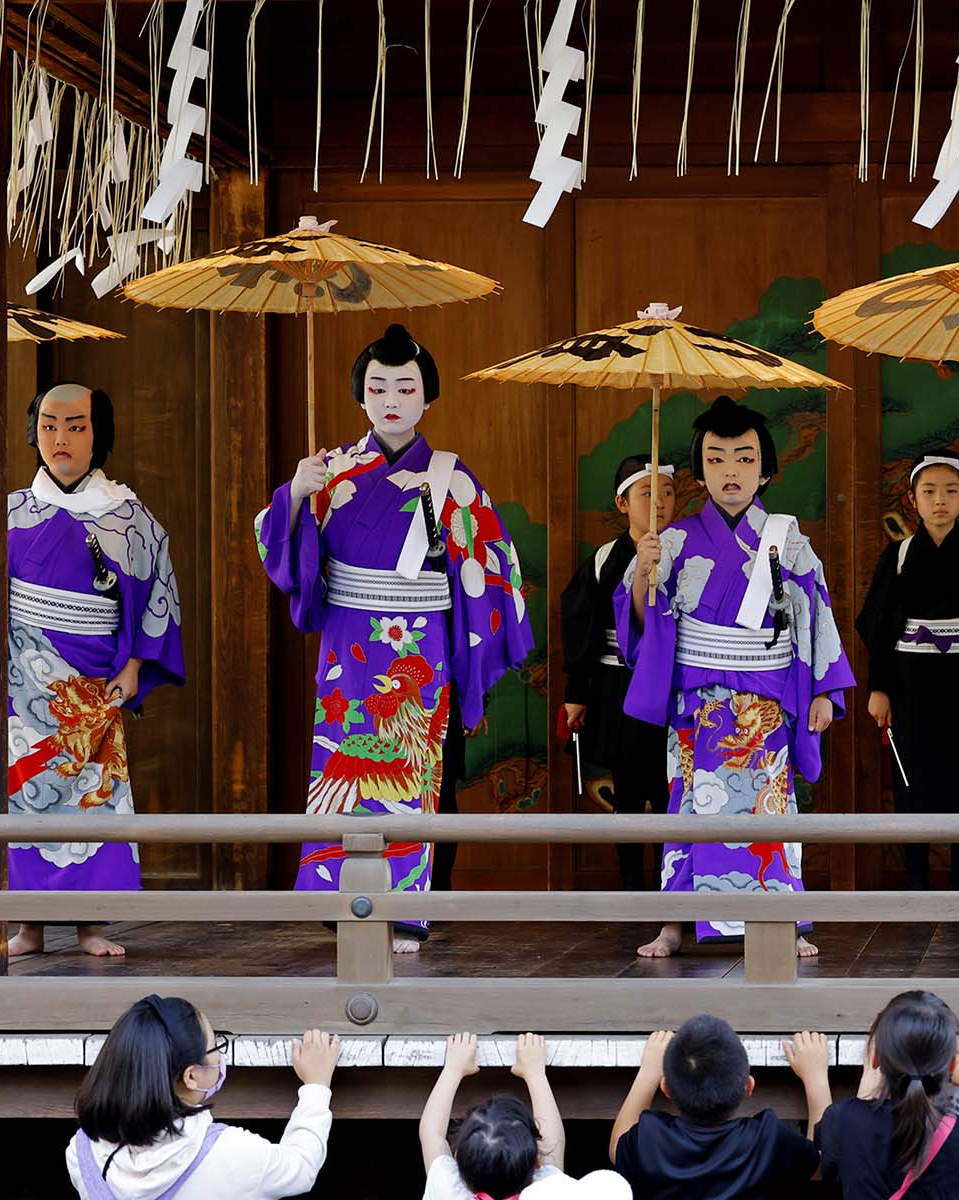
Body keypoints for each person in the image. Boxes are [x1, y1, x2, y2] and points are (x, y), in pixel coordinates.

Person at [255, 324, 534, 953]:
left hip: (421, 649)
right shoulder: (328, 471)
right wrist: (294, 495)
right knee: (343, 770)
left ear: (427, 398)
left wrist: (470, 663)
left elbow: (490, 566)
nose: (391, 400)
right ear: (360, 396)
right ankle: (340, 899)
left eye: (405, 387)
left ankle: (405, 911)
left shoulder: (452, 479)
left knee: (411, 775)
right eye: (378, 387)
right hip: (350, 648)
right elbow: (286, 551)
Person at [617, 396, 855, 959]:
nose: (731, 471)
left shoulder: (788, 541)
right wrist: (643, 575)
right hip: (698, 703)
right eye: (718, 459)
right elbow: (643, 626)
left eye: (745, 459)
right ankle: (676, 921)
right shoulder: (671, 543)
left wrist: (824, 688)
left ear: (765, 470)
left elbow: (813, 612)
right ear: (700, 470)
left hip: (765, 701)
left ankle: (780, 919)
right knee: (687, 806)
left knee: (770, 806)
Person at [8, 383, 185, 959]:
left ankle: (91, 927)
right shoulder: (7, 512)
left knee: (96, 796)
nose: (60, 439)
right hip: (22, 676)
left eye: (76, 426)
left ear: (98, 435)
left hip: (96, 683)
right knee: (22, 797)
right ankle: (27, 927)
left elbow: (159, 589)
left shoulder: (129, 518)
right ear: (34, 430)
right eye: (50, 425)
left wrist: (135, 663)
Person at [856, 455, 959, 891]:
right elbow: (876, 626)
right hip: (910, 685)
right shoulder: (897, 555)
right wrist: (879, 688)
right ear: (914, 500)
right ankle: (917, 884)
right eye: (930, 492)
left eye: (951, 491)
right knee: (911, 784)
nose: (940, 501)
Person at [66, 995, 337, 1199]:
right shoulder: (231, 1152)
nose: (219, 1054)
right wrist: (316, 1086)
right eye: (215, 1044)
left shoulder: (81, 1152)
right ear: (191, 1076)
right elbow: (300, 1168)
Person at [560, 456, 677, 890]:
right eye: (647, 494)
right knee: (627, 788)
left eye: (668, 492)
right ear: (622, 503)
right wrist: (577, 690)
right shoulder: (605, 559)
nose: (660, 503)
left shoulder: (685, 550)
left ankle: (672, 881)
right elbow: (579, 627)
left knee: (669, 787)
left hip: (670, 687)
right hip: (618, 686)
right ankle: (629, 879)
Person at [801, 992, 959, 1198]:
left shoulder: (841, 1120)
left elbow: (820, 1172)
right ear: (952, 1064)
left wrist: (819, 1083)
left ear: (875, 1059)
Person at [609, 1014, 821, 1200]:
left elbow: (617, 1150)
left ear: (665, 1088)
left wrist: (648, 1073)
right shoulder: (768, 1138)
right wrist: (816, 1078)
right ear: (748, 1086)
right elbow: (821, 1165)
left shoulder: (649, 1138)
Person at [420, 1032, 631, 1199]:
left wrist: (453, 1069)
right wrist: (535, 1073)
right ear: (537, 1162)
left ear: (457, 1158)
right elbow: (553, 1147)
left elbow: (432, 1134)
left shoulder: (446, 1189)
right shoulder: (546, 1190)